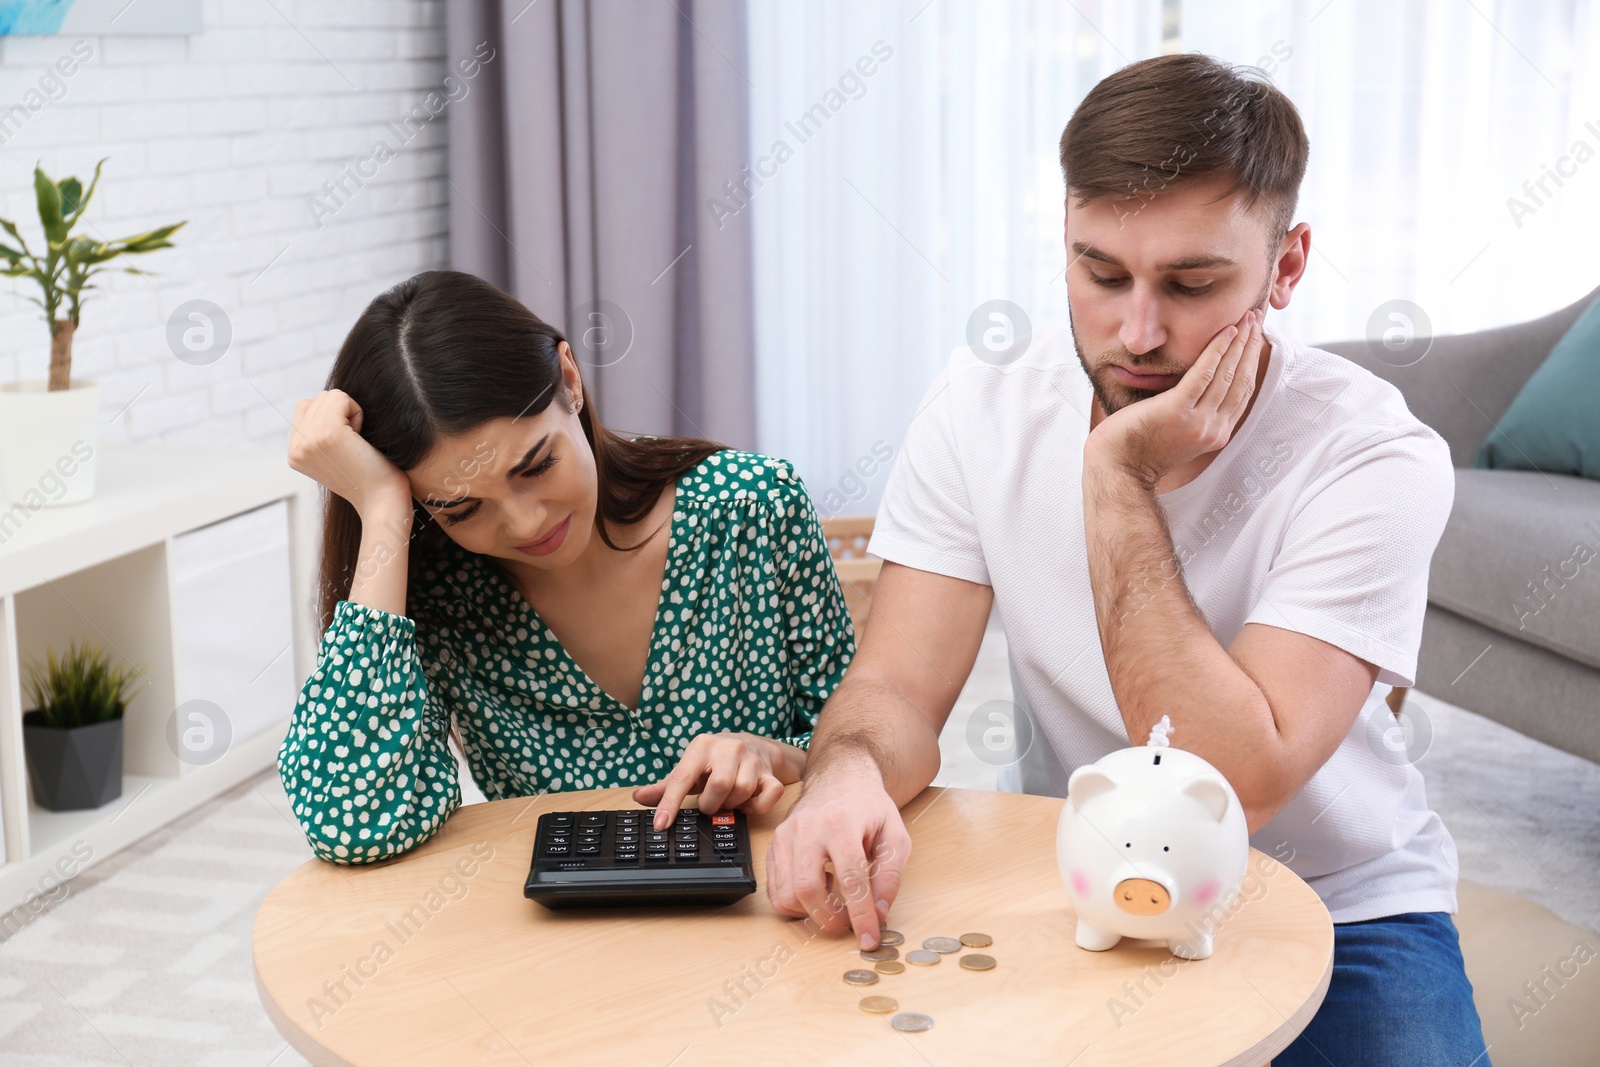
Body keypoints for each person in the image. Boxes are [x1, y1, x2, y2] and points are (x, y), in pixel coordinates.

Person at [766, 53, 1490, 1064]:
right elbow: (891, 686)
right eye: (1099, 273)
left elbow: (1233, 779)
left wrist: (1116, 477)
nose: (1136, 331)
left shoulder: (1369, 452)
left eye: (1191, 283)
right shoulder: (979, 407)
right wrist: (845, 773)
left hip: (1345, 904)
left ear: (1286, 267)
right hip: (1091, 879)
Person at [279, 270, 854, 863]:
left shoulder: (751, 508)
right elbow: (354, 824)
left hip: (776, 908)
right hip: (562, 942)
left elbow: (869, 745)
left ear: (570, 380)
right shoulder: (435, 593)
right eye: (462, 508)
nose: (526, 524)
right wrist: (380, 509)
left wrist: (775, 756)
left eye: (535, 466)